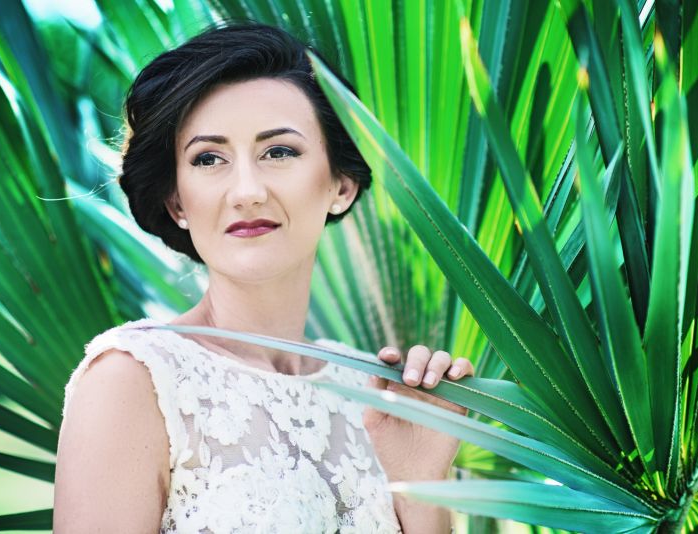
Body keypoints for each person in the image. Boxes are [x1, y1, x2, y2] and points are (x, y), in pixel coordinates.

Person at [53, 21, 474, 534]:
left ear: (341, 185)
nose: (247, 191)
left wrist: (421, 482)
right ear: (177, 202)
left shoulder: (375, 393)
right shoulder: (134, 379)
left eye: (279, 152)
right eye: (209, 158)